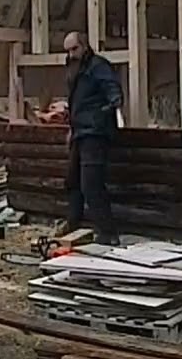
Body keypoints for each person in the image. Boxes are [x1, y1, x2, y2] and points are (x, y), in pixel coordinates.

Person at [63, 30, 124, 245]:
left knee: (91, 183)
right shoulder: (75, 69)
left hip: (95, 132)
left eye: (74, 49)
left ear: (84, 46)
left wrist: (112, 103)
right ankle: (73, 222)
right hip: (81, 130)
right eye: (68, 50)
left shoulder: (98, 66)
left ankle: (107, 232)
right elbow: (76, 102)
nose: (71, 54)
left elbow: (111, 88)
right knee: (73, 180)